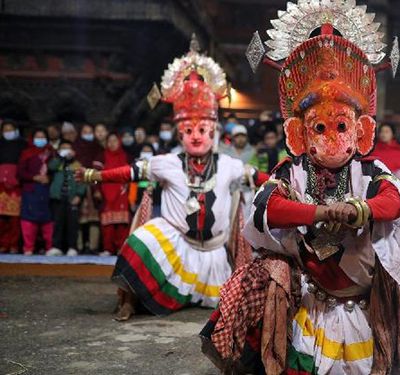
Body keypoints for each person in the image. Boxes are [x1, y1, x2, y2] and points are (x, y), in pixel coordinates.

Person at [200, 9, 400, 374]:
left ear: (361, 131)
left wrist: (359, 210)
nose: (332, 140)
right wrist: (320, 213)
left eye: (342, 126)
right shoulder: (292, 170)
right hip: (312, 300)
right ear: (299, 134)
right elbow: (266, 209)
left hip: (361, 303)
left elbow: (394, 203)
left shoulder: (370, 171)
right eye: (319, 128)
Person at [78, 36, 261, 321]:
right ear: (179, 134)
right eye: (188, 131)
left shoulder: (229, 165)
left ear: (213, 132)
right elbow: (130, 172)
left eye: (202, 129)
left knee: (231, 302)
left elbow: (259, 177)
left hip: (214, 254)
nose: (196, 136)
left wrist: (285, 179)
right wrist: (95, 175)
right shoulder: (166, 163)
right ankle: (130, 300)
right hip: (178, 243)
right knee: (141, 238)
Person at [18, 129, 54, 255]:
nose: (40, 139)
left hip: (46, 190)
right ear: (32, 139)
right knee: (29, 218)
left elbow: (56, 172)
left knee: (47, 218)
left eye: (43, 137)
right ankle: (28, 247)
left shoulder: (51, 154)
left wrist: (49, 178)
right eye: (37, 137)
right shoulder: (26, 153)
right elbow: (21, 172)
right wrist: (34, 177)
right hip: (31, 189)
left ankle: (50, 247)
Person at [47, 140, 85, 256]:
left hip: (72, 198)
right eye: (63, 148)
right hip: (58, 198)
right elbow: (50, 167)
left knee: (72, 224)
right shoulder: (56, 162)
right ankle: (56, 246)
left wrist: (79, 195)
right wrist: (60, 157)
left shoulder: (77, 164)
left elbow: (82, 181)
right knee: (58, 223)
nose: (66, 151)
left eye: (68, 149)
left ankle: (72, 247)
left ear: (73, 151)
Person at [98, 133, 131, 256]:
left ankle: (121, 248)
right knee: (108, 224)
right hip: (106, 192)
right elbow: (97, 175)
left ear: (120, 142)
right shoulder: (102, 156)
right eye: (109, 141)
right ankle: (107, 249)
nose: (112, 143)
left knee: (122, 223)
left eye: (115, 140)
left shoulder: (126, 156)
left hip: (122, 192)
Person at [74, 123, 103, 253]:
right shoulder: (76, 148)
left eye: (90, 132)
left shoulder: (98, 148)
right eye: (85, 132)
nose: (88, 134)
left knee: (94, 218)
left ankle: (93, 247)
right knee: (78, 217)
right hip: (77, 185)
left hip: (94, 185)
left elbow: (100, 170)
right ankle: (79, 246)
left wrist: (97, 189)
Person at [0, 120, 27, 254]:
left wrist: (15, 178)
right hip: (0, 185)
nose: (8, 132)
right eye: (5, 129)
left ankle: (14, 244)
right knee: (1, 218)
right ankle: (3, 244)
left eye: (10, 129)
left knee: (14, 218)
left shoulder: (22, 145)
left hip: (16, 185)